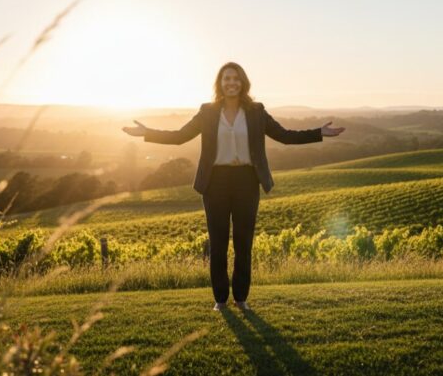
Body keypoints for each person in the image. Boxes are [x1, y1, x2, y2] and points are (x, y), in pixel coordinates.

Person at [122, 62, 345, 311]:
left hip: (247, 181)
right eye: (227, 79)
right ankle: (220, 300)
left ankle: (241, 298)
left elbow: (285, 136)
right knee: (218, 243)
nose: (232, 83)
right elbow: (179, 136)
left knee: (243, 242)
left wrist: (319, 133)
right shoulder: (207, 112)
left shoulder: (256, 111)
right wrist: (146, 133)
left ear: (243, 83)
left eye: (236, 79)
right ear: (220, 83)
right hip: (214, 182)